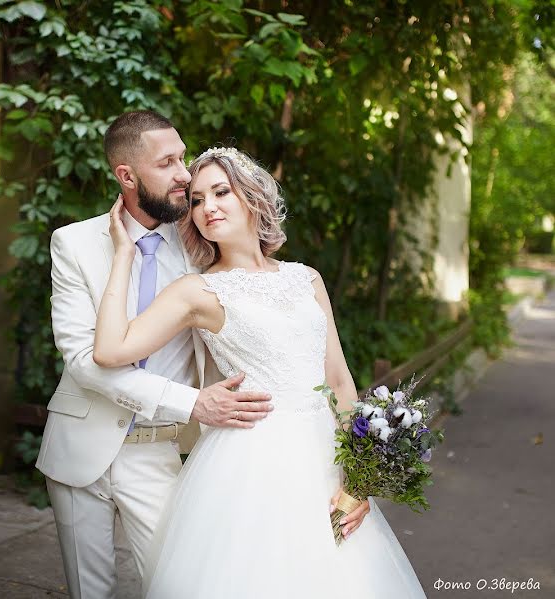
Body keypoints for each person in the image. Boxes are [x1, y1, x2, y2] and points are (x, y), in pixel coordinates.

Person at [93, 146, 427, 598]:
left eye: (220, 192)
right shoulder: (198, 290)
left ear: (252, 196)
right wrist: (124, 254)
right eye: (195, 200)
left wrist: (360, 479)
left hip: (325, 461)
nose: (207, 207)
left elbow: (340, 380)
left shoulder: (306, 278)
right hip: (250, 465)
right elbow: (111, 350)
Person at [35, 111, 274, 599]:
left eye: (183, 157)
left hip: (160, 449)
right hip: (79, 443)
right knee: (89, 592)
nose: (185, 174)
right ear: (127, 176)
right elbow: (84, 360)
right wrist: (193, 402)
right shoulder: (74, 243)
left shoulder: (202, 248)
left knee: (178, 586)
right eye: (168, 162)